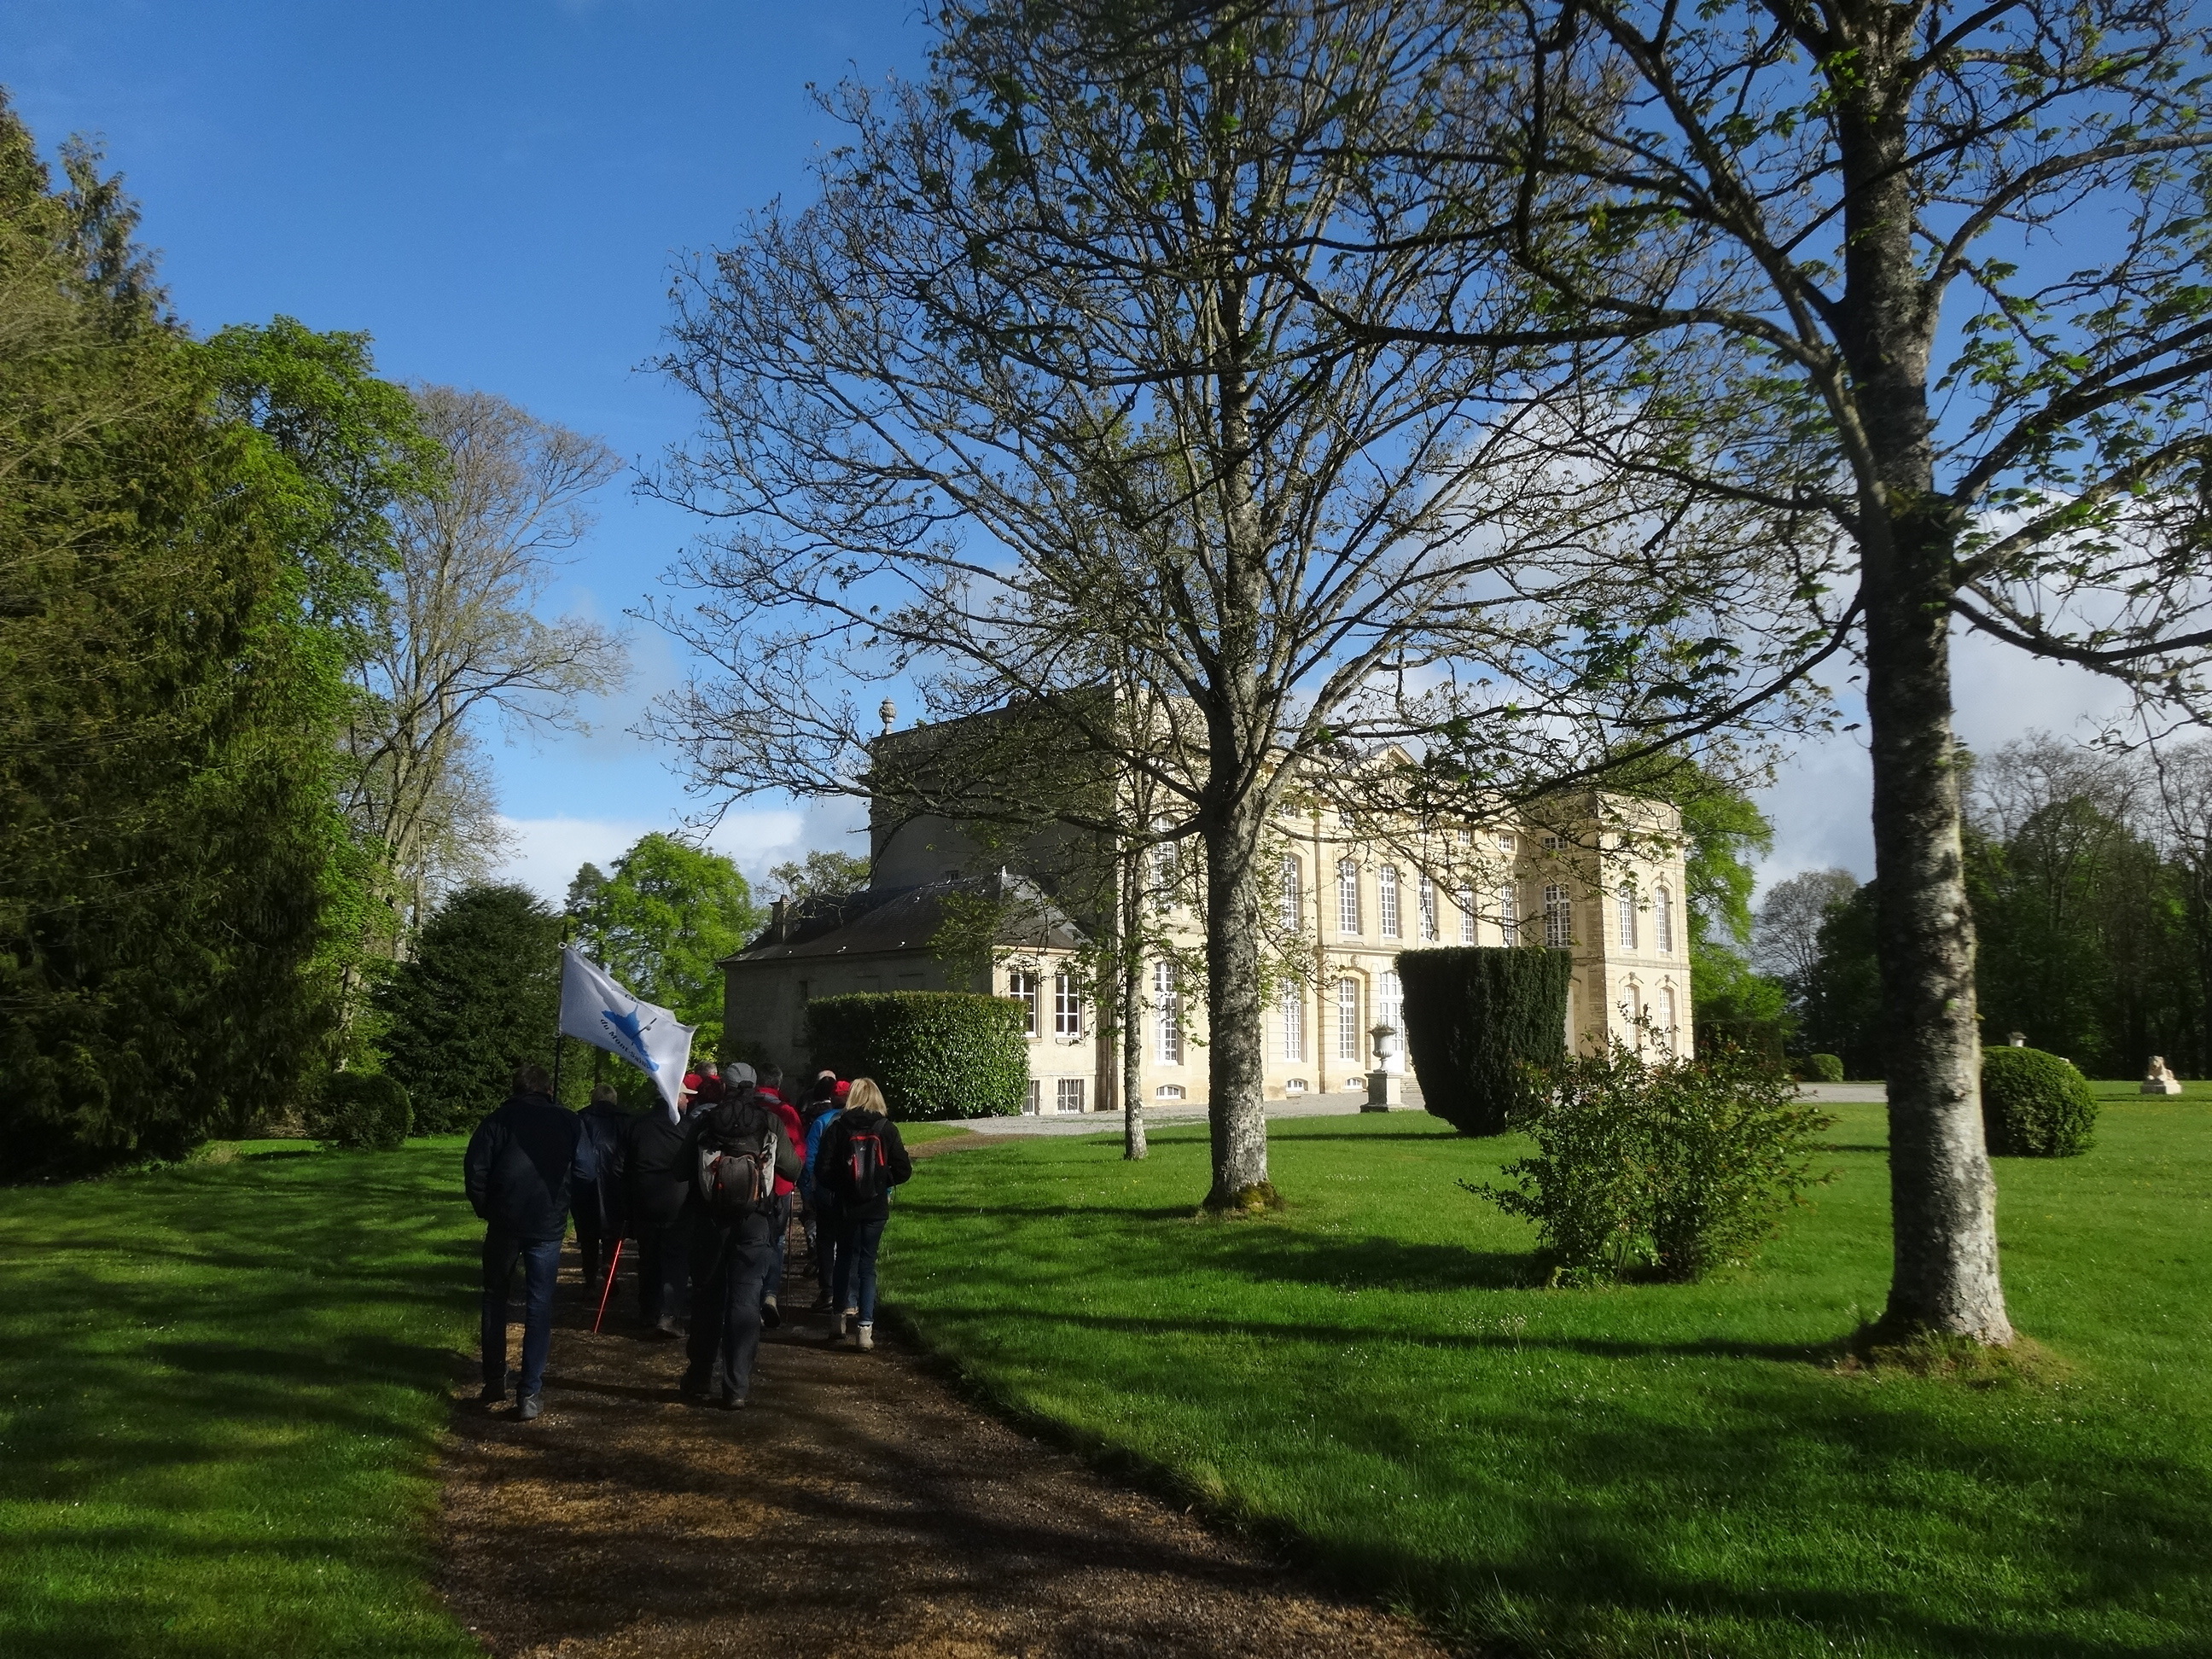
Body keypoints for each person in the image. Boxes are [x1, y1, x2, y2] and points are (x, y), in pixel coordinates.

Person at [464, 1062, 581, 1421]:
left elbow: (475, 1170)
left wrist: (486, 1208)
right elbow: (586, 1169)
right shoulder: (568, 1121)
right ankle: (529, 1390)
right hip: (546, 1221)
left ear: (516, 1089)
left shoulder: (497, 1121)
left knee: (495, 1297)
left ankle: (494, 1379)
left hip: (505, 1219)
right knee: (539, 1304)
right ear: (547, 1090)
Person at [682, 1070, 800, 1408]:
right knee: (745, 1300)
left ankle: (701, 1377)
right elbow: (793, 1169)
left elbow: (679, 1169)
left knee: (708, 1298)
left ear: (726, 1087)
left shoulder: (707, 1120)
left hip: (709, 1220)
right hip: (754, 1220)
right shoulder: (768, 1121)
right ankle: (737, 1385)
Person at [817, 1076, 911, 1352]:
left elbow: (822, 1170)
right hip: (875, 1206)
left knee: (844, 1258)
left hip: (845, 1205)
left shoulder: (838, 1128)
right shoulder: (886, 1129)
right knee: (867, 1265)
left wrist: (842, 1185)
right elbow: (904, 1170)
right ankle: (865, 1329)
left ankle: (838, 1321)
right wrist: (882, 1181)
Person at [621, 1072, 701, 1338]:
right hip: (679, 1202)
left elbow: (622, 1166)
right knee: (675, 1259)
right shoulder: (689, 1128)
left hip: (643, 1199)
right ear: (674, 1098)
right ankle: (668, 1314)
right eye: (685, 1096)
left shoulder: (637, 1125)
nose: (688, 1102)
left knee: (648, 1256)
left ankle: (648, 1310)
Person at [750, 1063, 804, 1327]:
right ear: (779, 1084)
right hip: (779, 1186)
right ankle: (769, 1293)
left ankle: (749, 1294)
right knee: (777, 1240)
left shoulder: (742, 1108)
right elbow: (797, 1152)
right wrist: (794, 1176)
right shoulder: (786, 1112)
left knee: (748, 1240)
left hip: (744, 1185)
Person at [572, 1082, 628, 1295]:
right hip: (616, 1182)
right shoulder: (625, 1120)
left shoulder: (580, 1119)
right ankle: (609, 1271)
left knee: (588, 1234)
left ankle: (589, 1280)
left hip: (586, 1182)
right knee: (613, 1231)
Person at [795, 1073, 841, 1305]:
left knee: (825, 1237)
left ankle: (829, 1291)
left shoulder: (821, 1122)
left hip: (824, 1188)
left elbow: (810, 1159)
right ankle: (851, 1297)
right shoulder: (859, 1121)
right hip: (851, 1192)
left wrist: (808, 1188)